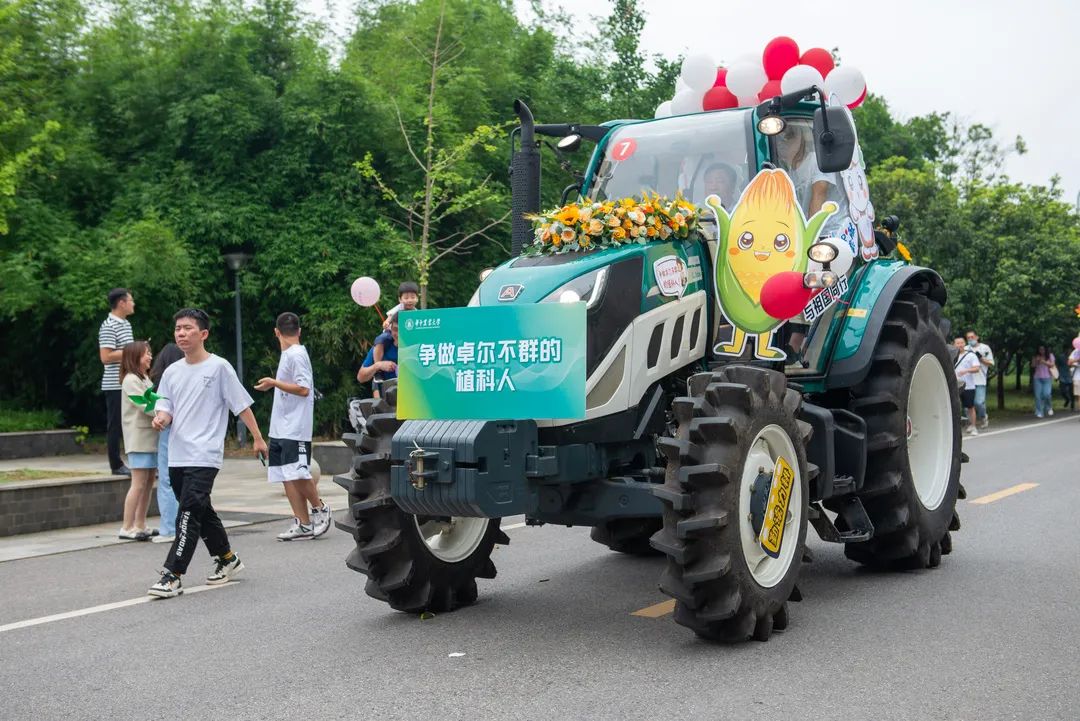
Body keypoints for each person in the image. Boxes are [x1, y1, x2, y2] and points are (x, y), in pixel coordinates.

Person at [147, 308, 267, 599]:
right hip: (178, 454)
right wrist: (161, 417)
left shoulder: (219, 367)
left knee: (187, 513)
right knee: (200, 510)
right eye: (178, 328)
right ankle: (227, 558)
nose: (181, 333)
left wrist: (258, 438)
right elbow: (165, 405)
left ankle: (172, 574)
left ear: (203, 334)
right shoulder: (172, 372)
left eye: (187, 328)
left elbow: (240, 405)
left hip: (205, 454)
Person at [254, 312, 330, 541]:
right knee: (284, 474)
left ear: (276, 332)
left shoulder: (297, 354)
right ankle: (303, 523)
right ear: (299, 330)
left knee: (297, 472)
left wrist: (272, 382)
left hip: (295, 427)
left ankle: (320, 509)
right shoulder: (289, 354)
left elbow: (304, 389)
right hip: (281, 426)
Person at [119, 340, 158, 540]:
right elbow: (146, 404)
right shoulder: (130, 380)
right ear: (134, 358)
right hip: (139, 439)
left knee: (149, 482)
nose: (150, 356)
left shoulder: (144, 378)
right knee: (138, 483)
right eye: (146, 354)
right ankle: (127, 527)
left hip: (149, 439)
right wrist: (163, 413)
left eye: (150, 353)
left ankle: (140, 524)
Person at [149, 343, 185, 544]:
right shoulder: (188, 376)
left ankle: (169, 528)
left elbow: (162, 409)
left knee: (167, 479)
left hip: (168, 429)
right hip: (189, 431)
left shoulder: (163, 380)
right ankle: (188, 526)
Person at [99, 288, 135, 475]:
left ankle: (134, 462)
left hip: (128, 381)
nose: (133, 304)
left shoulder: (126, 324)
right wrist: (133, 351)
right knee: (116, 424)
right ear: (121, 303)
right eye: (131, 300)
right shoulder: (108, 326)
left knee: (130, 422)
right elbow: (105, 357)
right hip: (115, 384)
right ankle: (115, 464)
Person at [358, 316, 399, 398]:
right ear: (390, 328)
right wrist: (378, 365)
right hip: (387, 400)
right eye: (395, 329)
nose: (398, 334)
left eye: (402, 330)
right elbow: (360, 377)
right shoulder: (382, 345)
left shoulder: (422, 346)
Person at [965, 330, 994, 429]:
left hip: (980, 379)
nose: (970, 339)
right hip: (968, 380)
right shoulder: (965, 349)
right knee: (968, 404)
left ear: (977, 337)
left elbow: (991, 363)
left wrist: (981, 359)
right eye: (968, 338)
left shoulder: (985, 348)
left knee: (979, 402)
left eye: (972, 337)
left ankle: (983, 416)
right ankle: (971, 423)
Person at [954, 337, 981, 435]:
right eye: (957, 343)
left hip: (968, 386)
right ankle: (958, 428)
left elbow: (977, 368)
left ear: (964, 344)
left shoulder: (970, 355)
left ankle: (973, 426)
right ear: (954, 345)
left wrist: (966, 370)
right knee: (956, 407)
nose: (960, 345)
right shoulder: (952, 356)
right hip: (955, 386)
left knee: (970, 407)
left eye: (961, 343)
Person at [1031, 344, 1056, 419]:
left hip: (1047, 378)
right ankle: (1039, 411)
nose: (1041, 351)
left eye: (1043, 349)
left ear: (1046, 349)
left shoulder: (1050, 355)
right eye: (1040, 349)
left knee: (1047, 394)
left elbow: (1052, 365)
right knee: (1038, 396)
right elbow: (1033, 366)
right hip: (1037, 378)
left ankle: (1049, 407)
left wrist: (1043, 362)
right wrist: (1036, 361)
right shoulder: (1035, 356)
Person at [1069, 338, 1080, 413]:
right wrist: (1077, 360)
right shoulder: (1075, 351)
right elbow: (1069, 363)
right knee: (1079, 395)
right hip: (1077, 376)